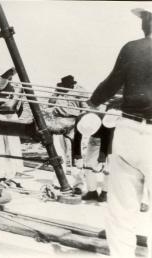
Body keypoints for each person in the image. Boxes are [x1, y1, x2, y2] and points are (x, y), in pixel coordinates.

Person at [87, 8, 152, 258]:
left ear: (145, 24)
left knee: (122, 211)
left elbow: (112, 82)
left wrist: (93, 102)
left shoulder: (132, 48)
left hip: (130, 132)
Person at [49, 75, 87, 174]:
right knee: (58, 151)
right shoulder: (58, 90)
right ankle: (59, 180)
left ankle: (78, 184)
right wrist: (56, 91)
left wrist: (78, 122)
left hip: (74, 121)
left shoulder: (80, 91)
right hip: (59, 120)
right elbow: (50, 104)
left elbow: (85, 109)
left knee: (76, 152)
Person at [73, 112, 112, 202]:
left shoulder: (106, 121)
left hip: (110, 140)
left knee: (109, 168)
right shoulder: (80, 119)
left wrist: (101, 160)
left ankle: (105, 192)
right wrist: (78, 157)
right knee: (89, 165)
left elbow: (106, 141)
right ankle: (92, 191)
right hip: (94, 138)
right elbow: (77, 138)